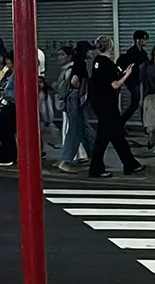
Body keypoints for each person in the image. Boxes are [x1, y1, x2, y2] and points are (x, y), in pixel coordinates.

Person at [87, 35, 145, 178]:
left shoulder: (97, 62)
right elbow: (115, 84)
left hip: (99, 103)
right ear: (110, 46)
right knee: (110, 136)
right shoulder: (107, 63)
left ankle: (128, 164)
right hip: (108, 105)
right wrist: (127, 75)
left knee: (110, 136)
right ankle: (101, 168)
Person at [55, 44, 95, 172]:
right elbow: (74, 81)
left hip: (73, 99)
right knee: (75, 130)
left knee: (85, 131)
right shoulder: (80, 64)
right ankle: (66, 161)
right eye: (90, 50)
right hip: (75, 99)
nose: (92, 53)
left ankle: (94, 157)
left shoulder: (77, 63)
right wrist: (81, 93)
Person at [117, 29, 150, 131]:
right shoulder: (132, 52)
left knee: (138, 103)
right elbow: (130, 68)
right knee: (137, 102)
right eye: (144, 39)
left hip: (140, 81)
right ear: (137, 40)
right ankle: (120, 123)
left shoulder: (143, 53)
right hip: (132, 81)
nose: (145, 42)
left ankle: (144, 125)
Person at [0, 51, 18, 166]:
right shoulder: (9, 73)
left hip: (11, 105)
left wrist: (5, 92)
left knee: (6, 132)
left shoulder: (16, 74)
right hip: (5, 104)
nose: (6, 62)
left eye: (8, 60)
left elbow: (17, 92)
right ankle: (6, 154)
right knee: (3, 130)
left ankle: (8, 155)